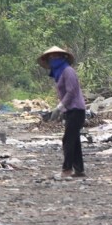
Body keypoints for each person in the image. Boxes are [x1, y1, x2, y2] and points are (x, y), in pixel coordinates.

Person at [38, 46, 86, 178]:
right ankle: (79, 170)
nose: (53, 60)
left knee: (68, 140)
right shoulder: (60, 73)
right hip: (70, 110)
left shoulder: (68, 71)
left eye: (55, 57)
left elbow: (71, 92)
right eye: (50, 58)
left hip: (76, 109)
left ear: (62, 58)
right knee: (74, 140)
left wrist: (59, 107)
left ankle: (66, 170)